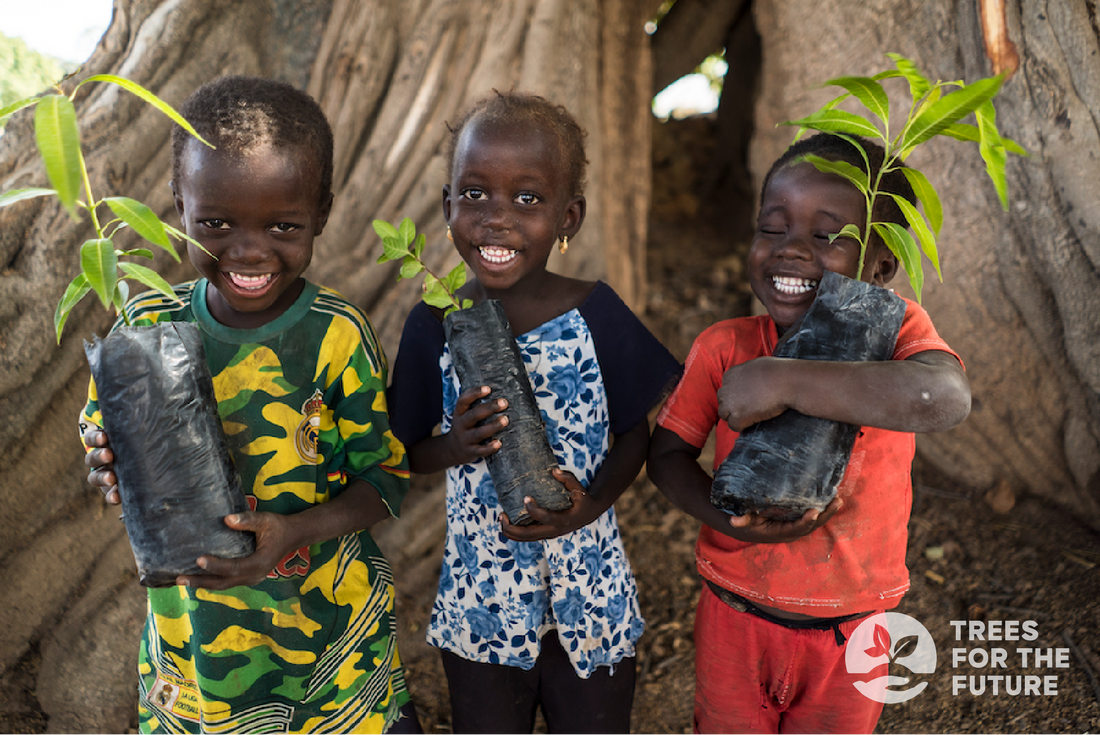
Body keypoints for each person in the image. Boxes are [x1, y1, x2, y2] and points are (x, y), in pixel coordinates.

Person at [80, 75, 423, 735]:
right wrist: (105, 462)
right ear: (178, 204)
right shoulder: (144, 325)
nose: (249, 250)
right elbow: (103, 436)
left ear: (321, 212)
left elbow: (386, 481)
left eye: (282, 225)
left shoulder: (336, 335)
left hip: (329, 648)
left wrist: (292, 531)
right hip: (197, 651)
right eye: (215, 223)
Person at [647, 133, 972, 735]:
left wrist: (785, 381)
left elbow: (943, 397)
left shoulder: (898, 335)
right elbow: (667, 455)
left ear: (880, 266)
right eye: (772, 229)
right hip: (735, 613)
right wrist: (720, 518)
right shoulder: (725, 346)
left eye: (827, 237)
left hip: (857, 629)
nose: (790, 251)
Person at [387, 92, 681, 735]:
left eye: (527, 199)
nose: (498, 220)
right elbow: (401, 450)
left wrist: (592, 505)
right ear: (446, 207)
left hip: (593, 595)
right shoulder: (435, 324)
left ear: (567, 216)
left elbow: (636, 430)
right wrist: (455, 446)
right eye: (475, 195)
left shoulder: (597, 312)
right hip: (482, 600)